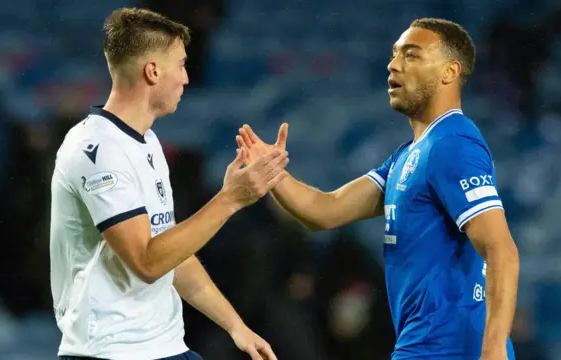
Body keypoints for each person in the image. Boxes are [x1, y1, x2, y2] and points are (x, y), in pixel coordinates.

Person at [237, 18, 520, 360]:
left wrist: (491, 351)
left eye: (411, 56)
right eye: (395, 54)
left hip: (453, 350)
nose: (393, 64)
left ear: (449, 72)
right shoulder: (408, 155)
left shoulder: (454, 142)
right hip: (422, 348)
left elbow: (501, 250)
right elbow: (326, 210)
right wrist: (273, 174)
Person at [49, 8, 285, 360]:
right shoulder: (96, 151)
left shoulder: (147, 143)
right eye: (181, 65)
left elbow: (172, 252)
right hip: (111, 352)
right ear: (153, 71)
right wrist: (230, 199)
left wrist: (236, 326)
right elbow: (147, 262)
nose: (186, 78)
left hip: (166, 347)